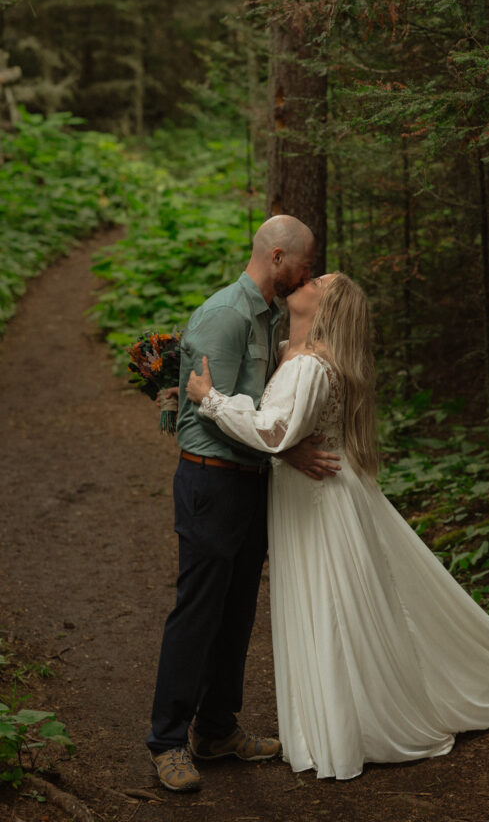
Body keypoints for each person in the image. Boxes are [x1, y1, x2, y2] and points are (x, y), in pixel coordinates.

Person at [186, 272, 489, 781]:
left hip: (321, 503)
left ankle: (355, 724)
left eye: (316, 282)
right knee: (327, 602)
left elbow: (274, 430)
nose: (304, 281)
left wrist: (209, 399)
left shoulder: (309, 366)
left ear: (325, 308)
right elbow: (288, 428)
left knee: (334, 606)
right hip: (310, 497)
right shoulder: (293, 353)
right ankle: (331, 720)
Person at [146, 216, 340, 793]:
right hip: (211, 482)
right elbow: (195, 416)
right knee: (199, 611)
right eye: (304, 264)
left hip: (253, 482)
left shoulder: (275, 315)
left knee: (236, 615)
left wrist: (282, 448)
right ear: (278, 257)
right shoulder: (223, 316)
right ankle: (166, 740)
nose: (308, 273)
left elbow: (264, 410)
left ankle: (217, 729)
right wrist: (284, 447)